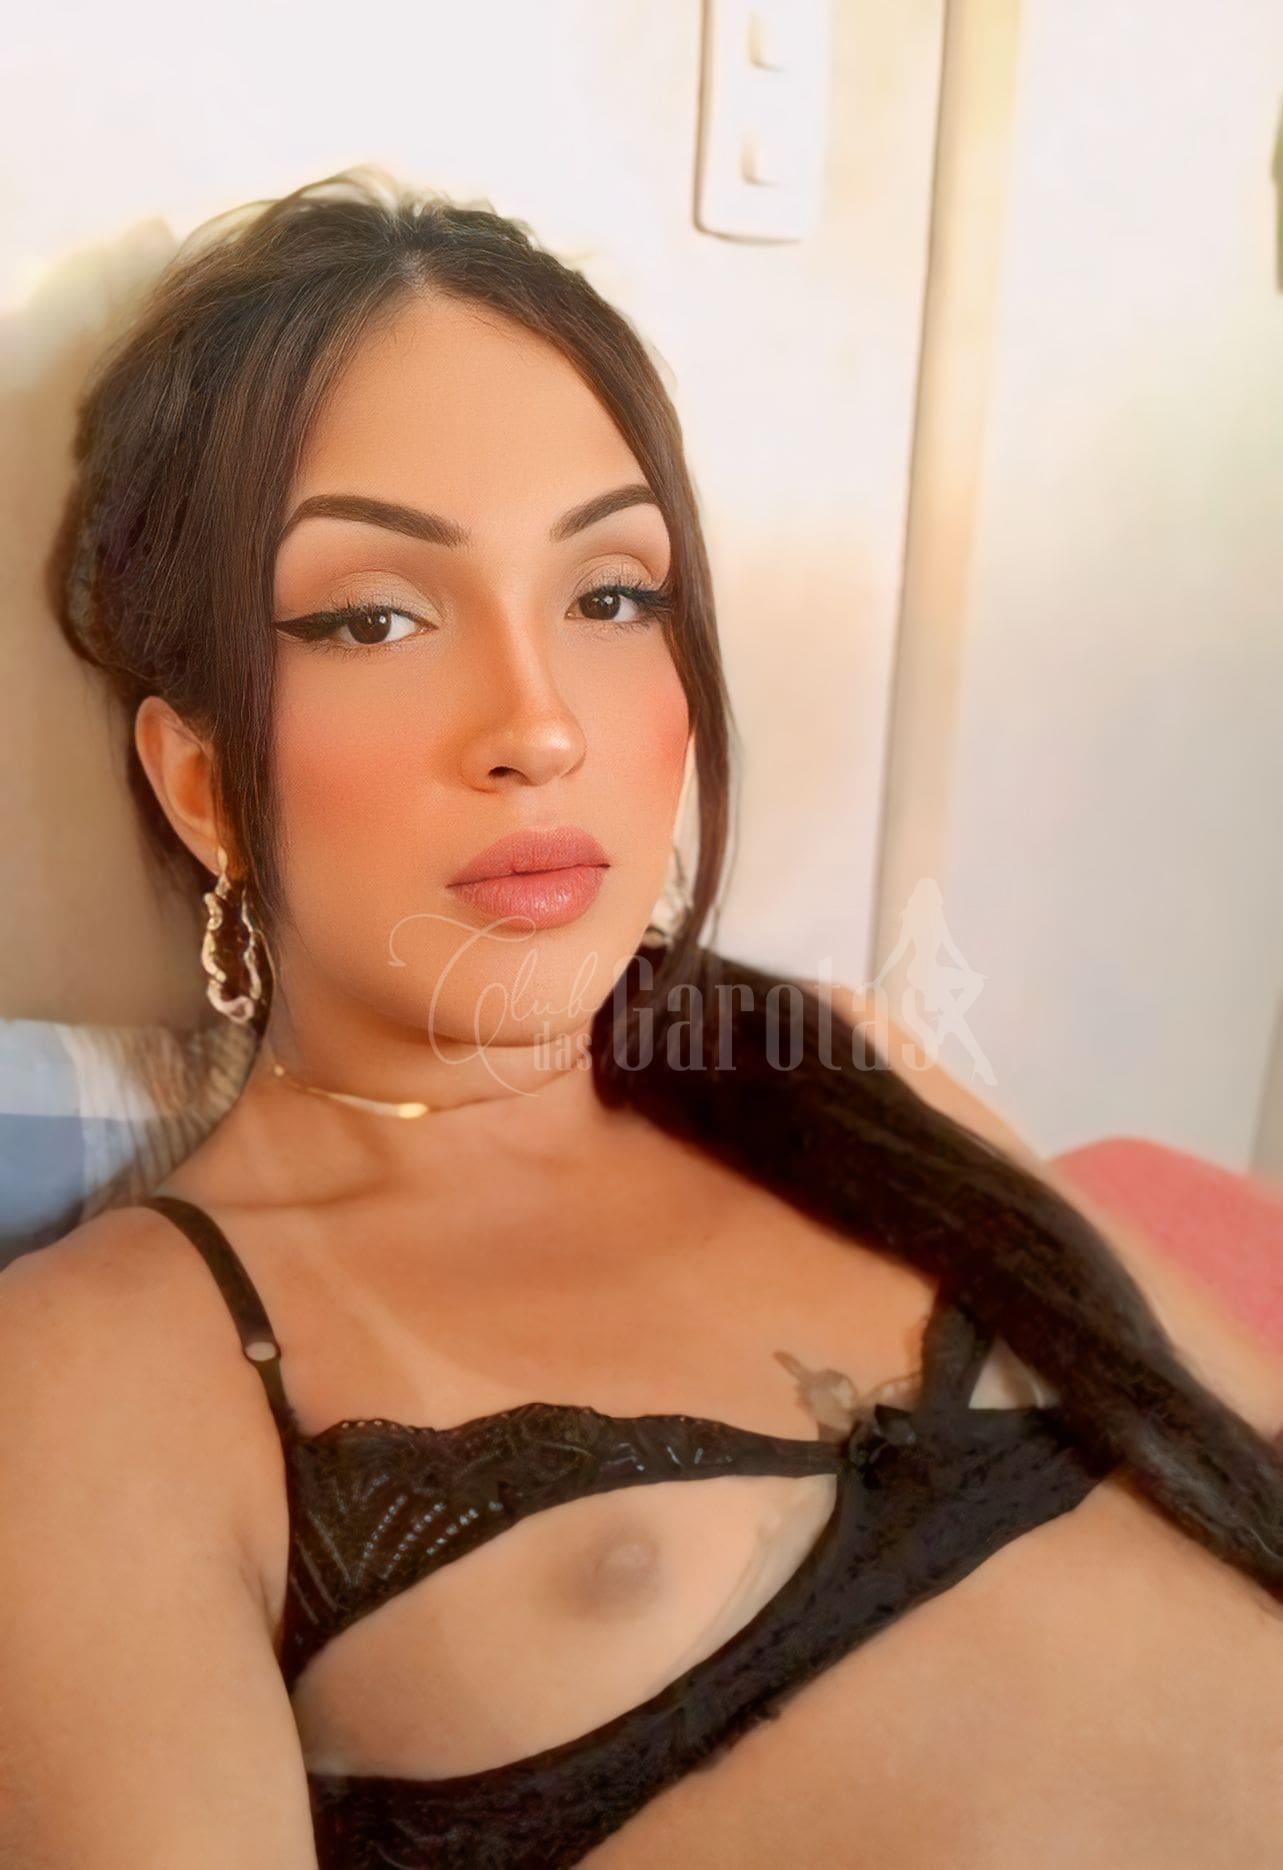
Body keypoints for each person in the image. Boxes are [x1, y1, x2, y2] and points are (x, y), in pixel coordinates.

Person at [3, 167, 1280, 1869]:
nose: (540, 725)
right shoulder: (108, 1369)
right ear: (201, 783)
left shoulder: (850, 1072)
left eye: (611, 594)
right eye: (377, 615)